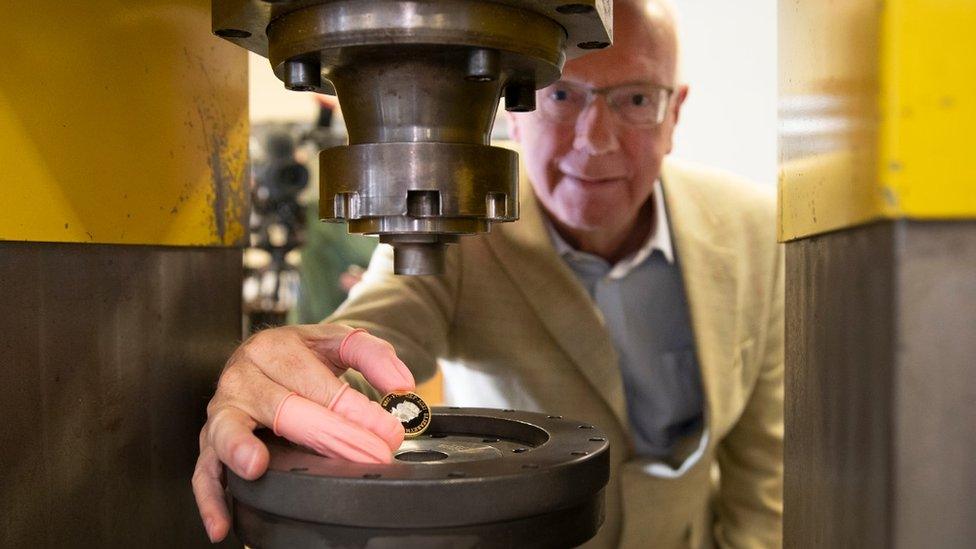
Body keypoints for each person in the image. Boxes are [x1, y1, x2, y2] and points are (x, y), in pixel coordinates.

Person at [192, 1, 783, 546]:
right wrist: (286, 374)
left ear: (673, 113)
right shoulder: (462, 240)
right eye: (563, 97)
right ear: (518, 108)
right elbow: (371, 339)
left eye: (634, 100)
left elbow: (766, 477)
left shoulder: (756, 231)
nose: (594, 141)